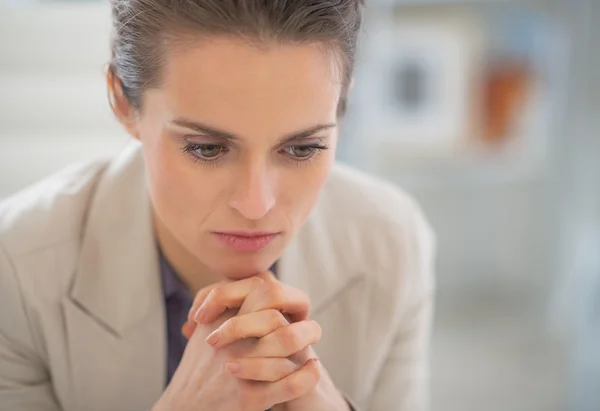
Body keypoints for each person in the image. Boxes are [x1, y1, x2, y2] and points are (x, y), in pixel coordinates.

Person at [0, 1, 435, 410]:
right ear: (121, 101)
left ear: (342, 108)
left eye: (302, 148)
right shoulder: (15, 269)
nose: (255, 204)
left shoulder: (393, 243)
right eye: (207, 149)